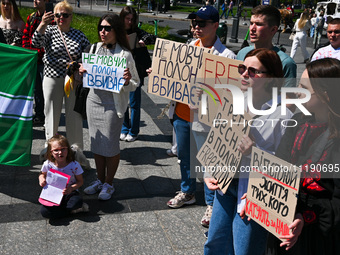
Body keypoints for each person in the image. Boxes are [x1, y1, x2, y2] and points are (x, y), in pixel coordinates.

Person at [204, 48, 293, 255]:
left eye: (253, 71)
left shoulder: (283, 117)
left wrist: (253, 152)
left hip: (253, 194)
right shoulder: (232, 101)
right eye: (242, 68)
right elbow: (217, 140)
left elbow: (286, 167)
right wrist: (210, 171)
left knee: (244, 250)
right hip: (225, 187)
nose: (244, 74)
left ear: (270, 78)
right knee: (214, 244)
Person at [166, 6, 236, 229]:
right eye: (194, 23)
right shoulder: (188, 48)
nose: (196, 27)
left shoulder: (226, 56)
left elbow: (229, 94)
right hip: (181, 113)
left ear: (216, 25)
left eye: (202, 23)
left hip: (206, 119)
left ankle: (211, 202)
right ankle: (187, 192)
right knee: (185, 156)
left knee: (208, 161)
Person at [266, 58, 340, 255]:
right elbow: (278, 166)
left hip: (319, 238)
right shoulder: (297, 122)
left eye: (304, 87)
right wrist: (261, 194)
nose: (298, 90)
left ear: (326, 96)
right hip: (284, 226)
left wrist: (306, 215)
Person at [81, 14, 139, 201]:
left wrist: (128, 80)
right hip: (94, 102)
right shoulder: (93, 49)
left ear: (116, 30)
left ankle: (109, 183)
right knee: (97, 144)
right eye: (101, 28)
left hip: (112, 106)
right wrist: (81, 71)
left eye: (107, 28)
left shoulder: (125, 54)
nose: (102, 32)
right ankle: (99, 179)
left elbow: (135, 83)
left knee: (111, 146)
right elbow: (85, 77)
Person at [32, 0, 90, 149]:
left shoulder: (79, 34)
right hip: (52, 77)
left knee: (74, 115)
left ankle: (75, 150)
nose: (61, 18)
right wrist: (42, 24)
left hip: (72, 79)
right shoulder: (50, 31)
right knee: (51, 114)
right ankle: (51, 149)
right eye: (57, 15)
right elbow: (35, 42)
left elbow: (89, 54)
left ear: (71, 17)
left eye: (65, 15)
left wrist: (81, 65)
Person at [237, 5, 297, 88]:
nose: (252, 28)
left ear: (273, 29)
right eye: (251, 23)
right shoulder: (242, 53)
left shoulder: (285, 62)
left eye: (258, 24)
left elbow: (288, 98)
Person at [119, 6, 156, 142]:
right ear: (122, 18)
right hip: (120, 70)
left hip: (135, 71)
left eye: (132, 19)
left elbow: (151, 37)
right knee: (122, 100)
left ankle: (134, 131)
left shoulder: (137, 31)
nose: (129, 22)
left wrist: (144, 41)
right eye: (127, 19)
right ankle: (124, 128)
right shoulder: (117, 31)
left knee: (134, 102)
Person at [39, 134, 88, 219]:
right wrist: (42, 179)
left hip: (69, 193)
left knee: (77, 202)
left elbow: (80, 181)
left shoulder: (74, 165)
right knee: (44, 212)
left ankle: (61, 210)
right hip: (53, 193)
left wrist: (71, 188)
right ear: (51, 152)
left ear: (68, 150)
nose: (60, 152)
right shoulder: (48, 164)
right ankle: (69, 210)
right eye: (56, 150)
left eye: (63, 149)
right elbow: (42, 174)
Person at [22, 0, 55, 125]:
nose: (35, 0)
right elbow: (25, 36)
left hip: (44, 61)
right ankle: (39, 114)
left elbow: (49, 40)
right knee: (36, 89)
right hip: (32, 59)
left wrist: (36, 52)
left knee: (45, 89)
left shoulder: (51, 18)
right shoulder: (31, 17)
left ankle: (47, 115)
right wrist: (29, 52)